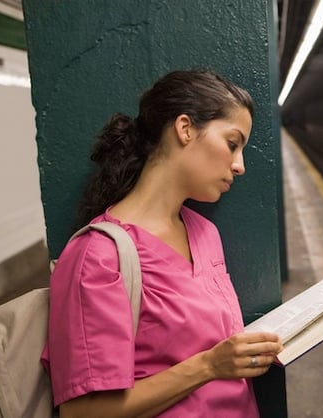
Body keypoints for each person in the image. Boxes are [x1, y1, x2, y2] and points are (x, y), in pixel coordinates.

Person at [41, 69, 283, 418]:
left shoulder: (204, 233)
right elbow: (82, 412)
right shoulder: (96, 256)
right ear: (185, 129)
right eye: (233, 144)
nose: (239, 165)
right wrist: (209, 366)